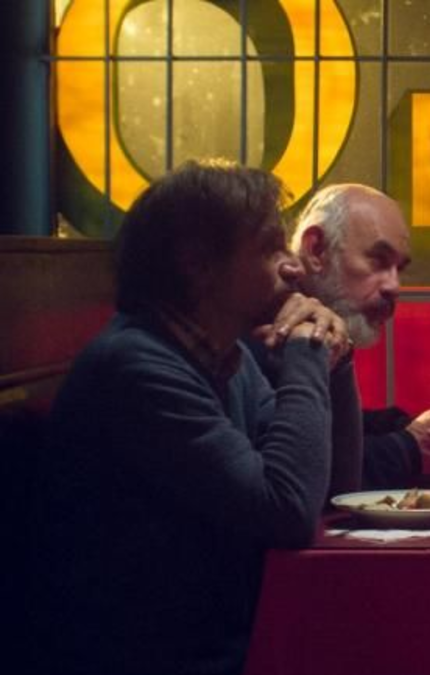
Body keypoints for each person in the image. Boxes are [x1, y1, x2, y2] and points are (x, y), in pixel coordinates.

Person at [29, 160, 351, 675]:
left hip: (229, 643)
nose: (293, 267)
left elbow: (331, 489)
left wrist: (337, 360)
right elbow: (287, 512)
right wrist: (308, 351)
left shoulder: (226, 358)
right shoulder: (135, 369)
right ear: (197, 265)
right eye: (270, 248)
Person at [280, 183, 430, 488]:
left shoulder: (317, 321)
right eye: (379, 260)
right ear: (317, 250)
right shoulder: (268, 325)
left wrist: (404, 426)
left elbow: (324, 427)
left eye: (399, 268)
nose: (394, 286)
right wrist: (408, 447)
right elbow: (302, 469)